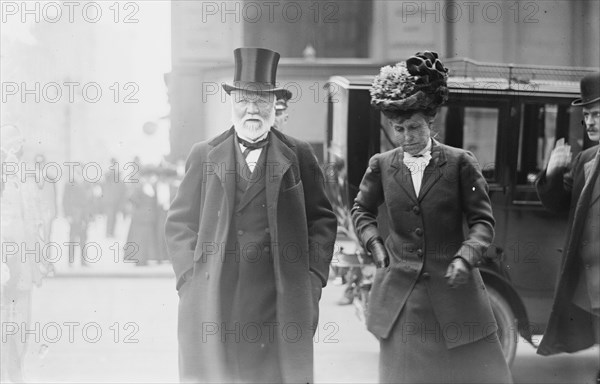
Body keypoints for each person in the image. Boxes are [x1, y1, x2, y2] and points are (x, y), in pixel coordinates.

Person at [165, 47, 337, 384]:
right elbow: (178, 222)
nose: (252, 110)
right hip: (217, 297)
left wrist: (313, 279)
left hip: (278, 299)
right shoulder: (204, 154)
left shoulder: (299, 153)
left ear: (275, 105)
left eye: (261, 101)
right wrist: (189, 279)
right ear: (232, 104)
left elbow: (323, 221)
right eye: (244, 101)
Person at [351, 52, 512, 384]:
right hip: (402, 300)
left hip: (456, 299)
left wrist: (467, 257)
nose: (406, 137)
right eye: (399, 129)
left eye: (414, 128)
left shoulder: (459, 163)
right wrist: (375, 244)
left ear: (431, 124)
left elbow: (483, 222)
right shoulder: (381, 164)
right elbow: (361, 211)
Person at [535, 72, 600, 377]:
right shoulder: (587, 158)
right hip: (592, 291)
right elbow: (557, 204)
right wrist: (552, 172)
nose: (590, 122)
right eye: (587, 115)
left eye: (597, 114)